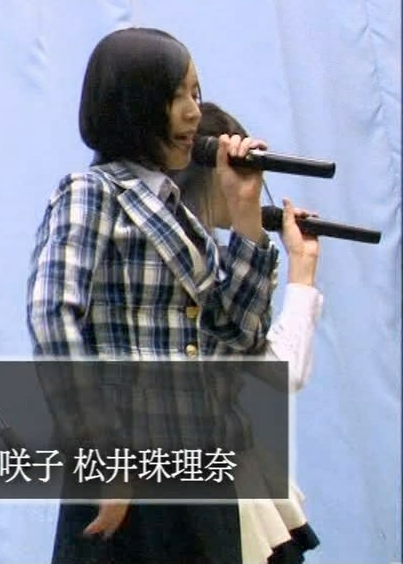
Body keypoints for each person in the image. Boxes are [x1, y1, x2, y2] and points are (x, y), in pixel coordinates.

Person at [27, 26, 280, 564]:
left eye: (196, 93)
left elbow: (240, 335)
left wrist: (245, 218)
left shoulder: (180, 214)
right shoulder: (92, 191)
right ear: (134, 104)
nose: (194, 112)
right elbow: (53, 316)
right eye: (177, 95)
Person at [173, 102, 323, 564]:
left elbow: (276, 370)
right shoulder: (192, 267)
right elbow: (278, 372)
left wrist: (301, 269)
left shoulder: (224, 260)